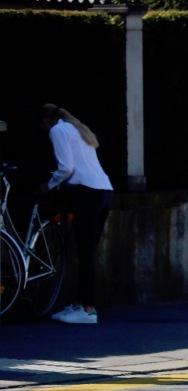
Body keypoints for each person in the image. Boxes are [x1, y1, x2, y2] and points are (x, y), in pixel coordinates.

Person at [39, 104, 114, 325]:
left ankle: (87, 308)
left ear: (45, 121)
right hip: (104, 190)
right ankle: (81, 304)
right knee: (87, 251)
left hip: (87, 193)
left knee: (85, 251)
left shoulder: (57, 131)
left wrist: (49, 184)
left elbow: (66, 167)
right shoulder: (76, 129)